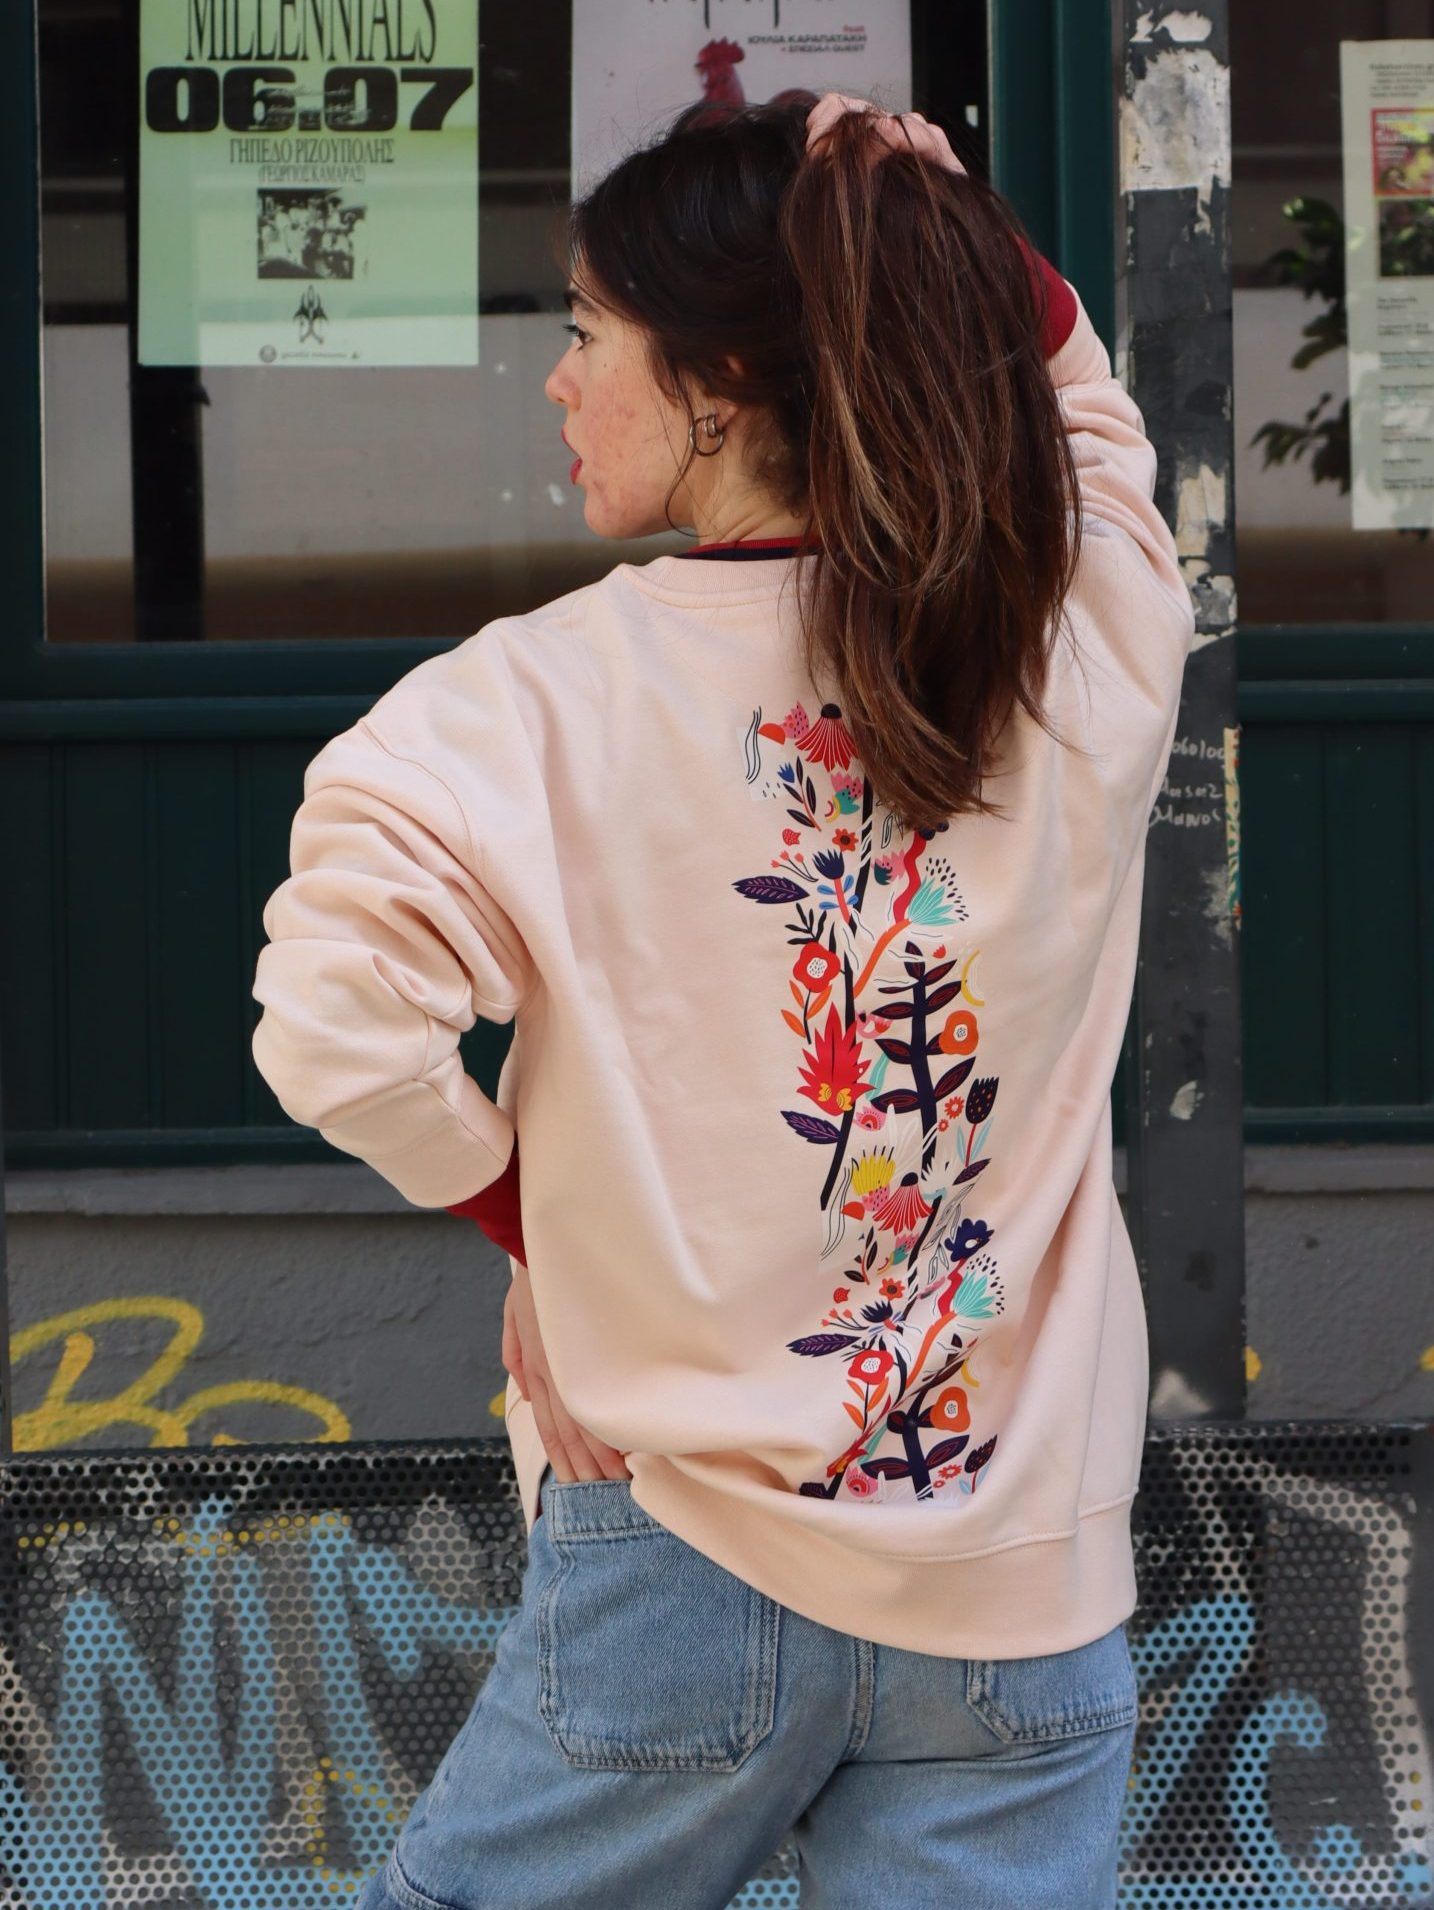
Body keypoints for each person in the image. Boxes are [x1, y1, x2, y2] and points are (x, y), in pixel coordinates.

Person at [252, 89, 1194, 1910]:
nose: (557, 380)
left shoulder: (513, 713)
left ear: (726, 376)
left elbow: (336, 1030)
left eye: (588, 330)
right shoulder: (1083, 630)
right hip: (1020, 1588)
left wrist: (531, 1230)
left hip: (679, 1551)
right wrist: (913, 196)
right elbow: (1077, 395)